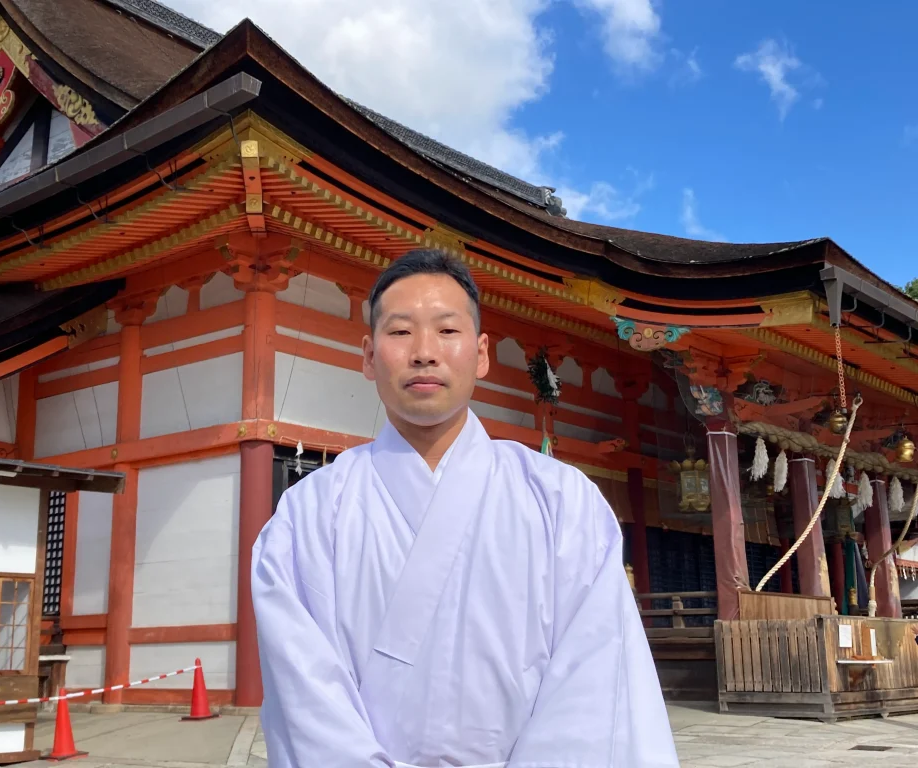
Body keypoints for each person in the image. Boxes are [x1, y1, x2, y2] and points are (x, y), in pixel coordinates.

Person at [251, 249, 679, 768]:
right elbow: (305, 701)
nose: (424, 352)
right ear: (367, 355)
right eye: (401, 332)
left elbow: (596, 686)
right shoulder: (308, 515)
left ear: (481, 354)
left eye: (447, 332)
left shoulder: (561, 501)